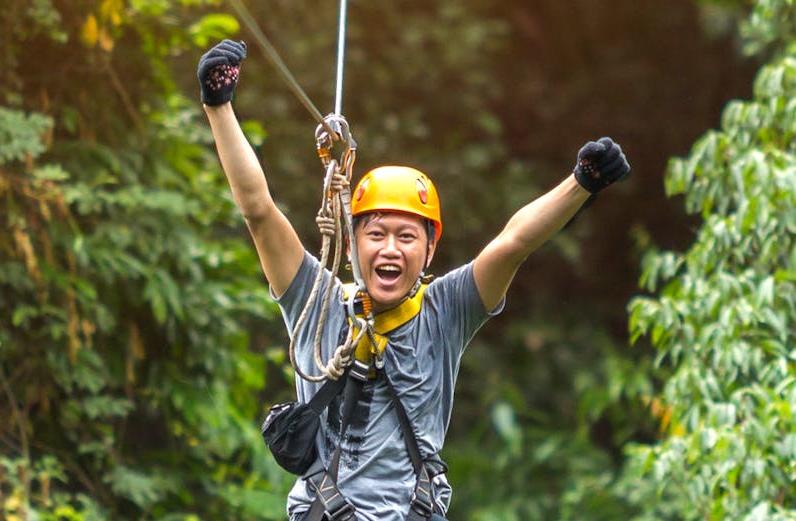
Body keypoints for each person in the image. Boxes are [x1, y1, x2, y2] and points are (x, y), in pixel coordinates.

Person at [197, 40, 630, 521]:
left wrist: (582, 182)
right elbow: (258, 211)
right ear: (351, 239)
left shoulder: (447, 311)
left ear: (430, 250)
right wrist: (219, 106)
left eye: (406, 236)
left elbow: (512, 243)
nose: (389, 249)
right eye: (376, 233)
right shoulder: (314, 301)